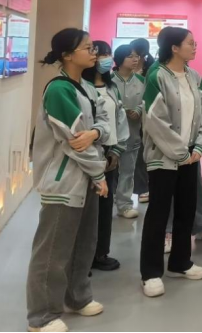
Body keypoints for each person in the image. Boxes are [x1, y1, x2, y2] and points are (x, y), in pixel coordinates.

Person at [26, 29, 109, 333]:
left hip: (86, 178)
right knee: (52, 251)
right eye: (87, 48)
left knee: (84, 244)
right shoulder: (59, 90)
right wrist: (99, 173)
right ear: (67, 55)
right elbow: (74, 141)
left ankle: (77, 296)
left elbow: (103, 124)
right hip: (64, 182)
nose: (94, 53)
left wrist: (96, 132)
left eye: (93, 47)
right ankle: (42, 316)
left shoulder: (86, 87)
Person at [140, 27, 202, 299]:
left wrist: (199, 146)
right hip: (164, 157)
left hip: (190, 155)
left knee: (186, 209)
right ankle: (150, 272)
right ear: (174, 48)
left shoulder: (193, 76)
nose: (195, 46)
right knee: (158, 214)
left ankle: (180, 262)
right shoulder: (157, 76)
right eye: (190, 43)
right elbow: (155, 120)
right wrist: (181, 153)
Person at [82, 42, 129, 272]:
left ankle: (100, 252)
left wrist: (117, 151)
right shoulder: (82, 88)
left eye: (108, 54)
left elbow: (120, 121)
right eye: (101, 54)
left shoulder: (112, 88)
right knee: (86, 210)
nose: (105, 59)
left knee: (104, 207)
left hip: (110, 154)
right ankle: (83, 257)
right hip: (89, 155)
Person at [112, 45, 144, 220]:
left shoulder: (141, 80)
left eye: (136, 56)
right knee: (107, 170)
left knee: (128, 171)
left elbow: (146, 102)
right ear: (120, 59)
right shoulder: (109, 80)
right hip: (110, 135)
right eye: (130, 56)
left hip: (132, 133)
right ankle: (106, 199)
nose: (135, 59)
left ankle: (124, 205)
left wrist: (138, 109)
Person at [130, 38, 154, 204]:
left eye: (135, 54)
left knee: (142, 156)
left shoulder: (150, 71)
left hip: (145, 119)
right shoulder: (124, 70)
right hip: (129, 120)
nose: (133, 58)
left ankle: (144, 188)